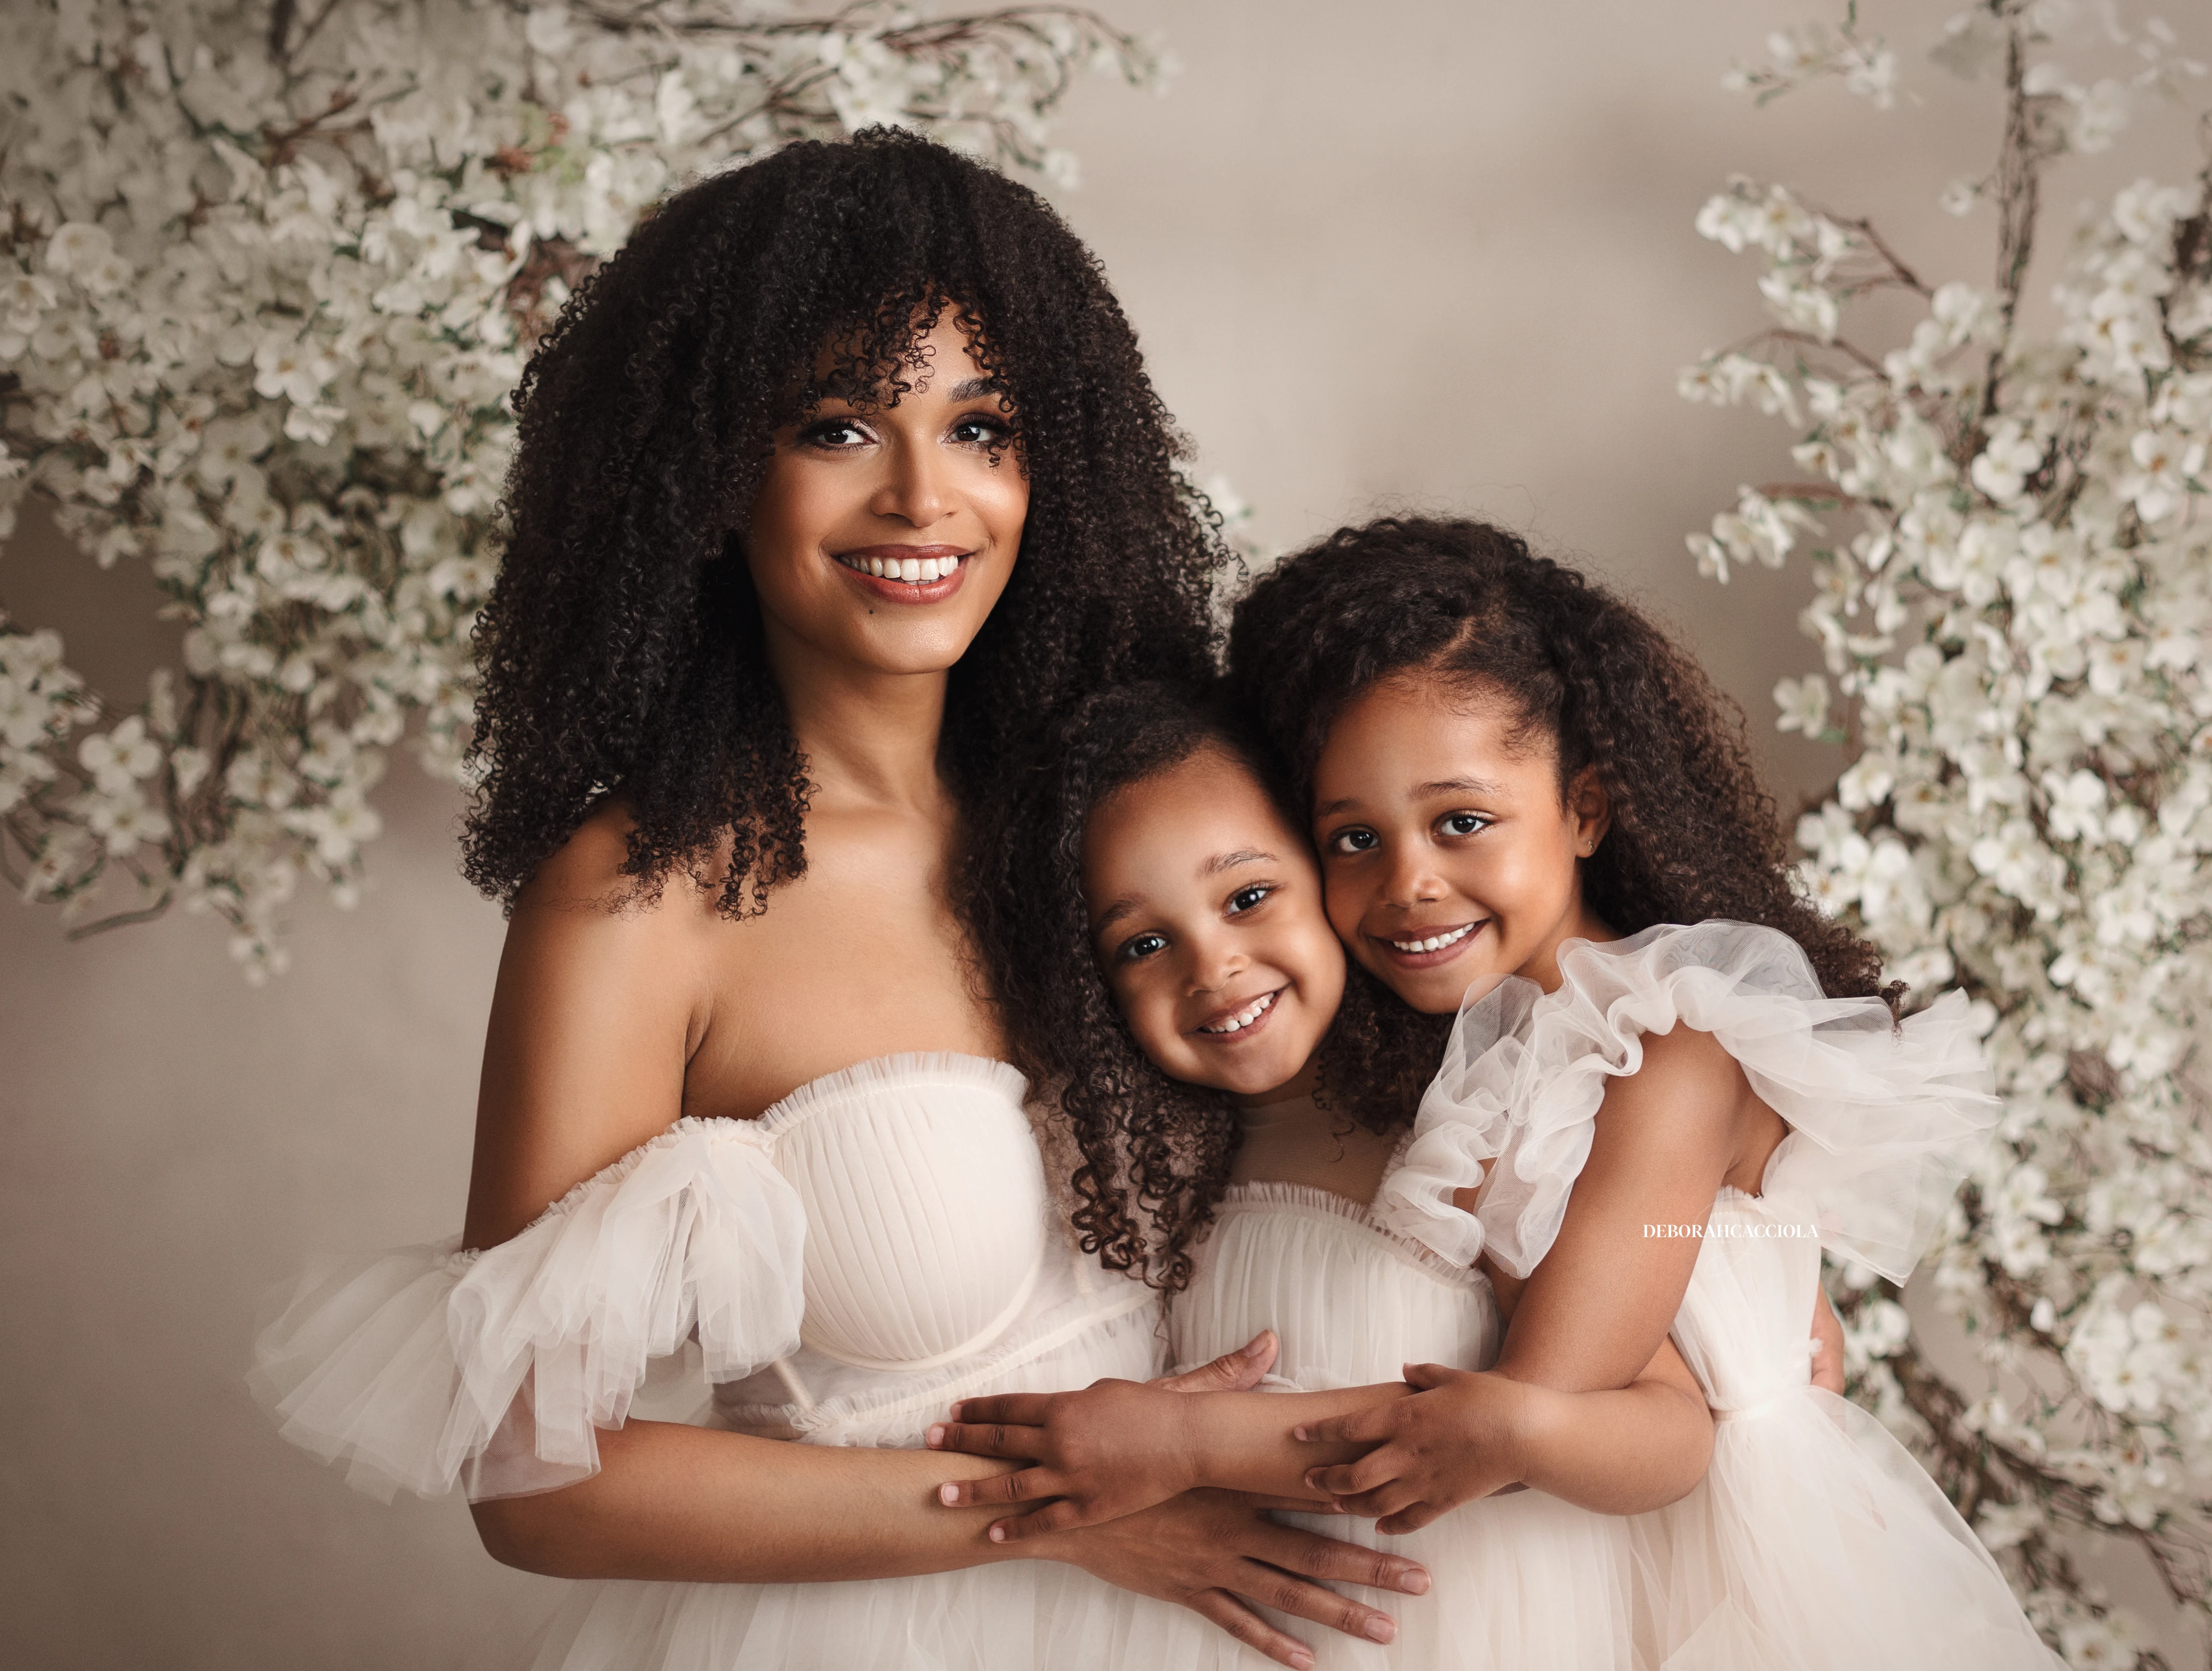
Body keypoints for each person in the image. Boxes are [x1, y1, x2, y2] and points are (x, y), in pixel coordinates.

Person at [249, 132, 1425, 1671]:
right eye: (837, 425)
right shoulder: (641, 899)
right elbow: (535, 1481)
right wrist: (1059, 1506)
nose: (925, 496)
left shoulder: (1142, 810)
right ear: (705, 470)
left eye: (982, 424)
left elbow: (1492, 959)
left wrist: (1717, 1255)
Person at [1222, 516, 2065, 1669]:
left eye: (1460, 821)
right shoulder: (1459, 1055)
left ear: (1582, 808)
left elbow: (1530, 1404)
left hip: (1727, 1575)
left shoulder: (1668, 1049)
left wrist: (1176, 1442)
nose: (1408, 882)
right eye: (1353, 836)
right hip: (1568, 1563)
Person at [934, 680, 1726, 1666]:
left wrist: (1513, 1428)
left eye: (1249, 896)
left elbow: (1671, 1435)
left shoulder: (1463, 1134)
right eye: (1143, 943)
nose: (1214, 966)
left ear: (1322, 872)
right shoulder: (1148, 1174)